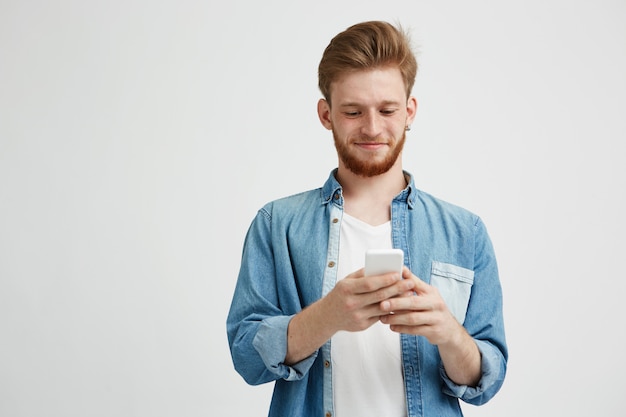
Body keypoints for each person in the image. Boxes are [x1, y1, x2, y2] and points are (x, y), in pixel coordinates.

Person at [226, 20, 507, 417]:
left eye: (387, 109)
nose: (372, 128)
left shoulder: (466, 232)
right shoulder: (276, 224)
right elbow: (246, 357)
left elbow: (487, 380)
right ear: (326, 115)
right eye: (353, 111)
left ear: (410, 111)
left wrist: (448, 333)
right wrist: (326, 317)